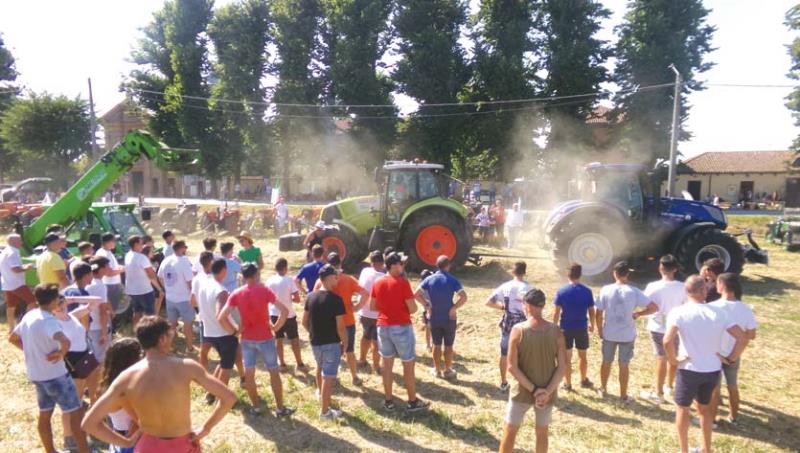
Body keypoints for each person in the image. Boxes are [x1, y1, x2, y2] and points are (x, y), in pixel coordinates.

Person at [82, 316, 236, 453]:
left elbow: (89, 423)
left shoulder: (126, 377)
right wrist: (205, 428)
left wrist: (126, 442)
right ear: (162, 339)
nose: (173, 336)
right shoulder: (187, 367)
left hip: (147, 446)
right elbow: (228, 398)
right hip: (183, 445)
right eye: (171, 334)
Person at [664, 276, 747, 453]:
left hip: (689, 369)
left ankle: (684, 450)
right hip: (712, 370)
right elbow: (742, 337)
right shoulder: (719, 313)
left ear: (686, 291)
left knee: (682, 410)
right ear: (704, 291)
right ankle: (706, 448)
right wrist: (731, 358)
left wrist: (673, 360)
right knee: (705, 410)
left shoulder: (678, 312)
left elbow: (667, 341)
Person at [9, 284, 90, 453]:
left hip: (37, 375)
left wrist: (32, 352)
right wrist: (61, 353)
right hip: (57, 376)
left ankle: (50, 450)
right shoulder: (49, 321)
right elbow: (65, 341)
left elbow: (13, 338)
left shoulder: (29, 316)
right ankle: (84, 450)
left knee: (45, 414)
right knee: (75, 413)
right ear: (53, 300)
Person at [220, 263, 294, 417]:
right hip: (265, 337)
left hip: (247, 338)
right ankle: (280, 408)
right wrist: (275, 327)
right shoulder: (264, 290)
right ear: (256, 275)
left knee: (249, 374)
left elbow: (221, 317)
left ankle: (255, 407)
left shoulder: (236, 293)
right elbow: (285, 311)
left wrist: (234, 331)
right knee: (273, 371)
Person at [499, 289, 567, 453]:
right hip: (547, 393)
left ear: (527, 306)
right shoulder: (556, 331)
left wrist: (534, 390)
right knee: (542, 433)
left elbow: (511, 367)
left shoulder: (518, 330)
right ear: (542, 306)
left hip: (521, 392)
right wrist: (546, 392)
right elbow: (562, 367)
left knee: (510, 431)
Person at [370, 253, 429, 412]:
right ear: (394, 265)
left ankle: (388, 401)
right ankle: (412, 401)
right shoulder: (402, 283)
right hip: (401, 326)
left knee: (387, 365)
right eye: (401, 264)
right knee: (408, 364)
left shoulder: (378, 282)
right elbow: (413, 308)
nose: (403, 266)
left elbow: (373, 306)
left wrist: (388, 308)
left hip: (382, 326)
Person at [594, 261, 658, 401]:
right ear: (627, 274)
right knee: (624, 364)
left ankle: (603, 388)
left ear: (614, 273)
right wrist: (639, 314)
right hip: (627, 335)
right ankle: (623, 395)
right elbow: (654, 307)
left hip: (609, 333)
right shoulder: (634, 291)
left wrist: (600, 330)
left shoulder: (605, 289)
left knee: (606, 361)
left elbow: (598, 313)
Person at [312, 252, 369, 385]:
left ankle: (331, 377)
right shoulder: (348, 279)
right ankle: (354, 377)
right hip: (347, 320)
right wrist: (356, 307)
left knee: (329, 351)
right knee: (349, 351)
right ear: (340, 263)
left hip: (328, 322)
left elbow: (315, 297)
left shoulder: (321, 280)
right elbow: (365, 293)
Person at [709, 273, 757, 425]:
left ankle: (713, 419)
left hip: (715, 354)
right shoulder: (746, 309)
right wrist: (734, 354)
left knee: (714, 389)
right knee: (732, 386)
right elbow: (752, 335)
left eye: (717, 283)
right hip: (734, 355)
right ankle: (734, 417)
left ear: (722, 285)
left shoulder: (712, 307)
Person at [54, 292, 100, 451]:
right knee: (72, 403)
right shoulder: (53, 323)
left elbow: (97, 301)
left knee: (81, 400)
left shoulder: (72, 315)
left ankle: (82, 430)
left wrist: (72, 299)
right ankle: (69, 438)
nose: (60, 307)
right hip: (71, 362)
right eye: (57, 305)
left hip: (85, 357)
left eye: (62, 303)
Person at [303, 264, 348, 419]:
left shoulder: (310, 296)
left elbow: (304, 321)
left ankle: (321, 395)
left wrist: (313, 333)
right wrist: (345, 343)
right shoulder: (336, 300)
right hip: (331, 343)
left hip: (315, 342)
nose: (337, 279)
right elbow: (341, 327)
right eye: (335, 276)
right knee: (329, 376)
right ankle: (325, 411)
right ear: (328, 278)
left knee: (320, 368)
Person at [640, 255, 686, 404]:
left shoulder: (653, 286)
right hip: (676, 327)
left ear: (660, 268)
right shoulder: (682, 287)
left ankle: (658, 392)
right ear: (675, 269)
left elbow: (646, 305)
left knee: (661, 358)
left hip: (658, 326)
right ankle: (669, 386)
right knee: (673, 356)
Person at [415, 256, 467, 380]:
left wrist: (427, 306)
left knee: (436, 344)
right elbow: (464, 297)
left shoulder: (429, 279)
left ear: (437, 265)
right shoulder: (452, 280)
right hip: (449, 318)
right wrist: (454, 308)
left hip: (434, 316)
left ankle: (437, 370)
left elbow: (416, 294)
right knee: (449, 345)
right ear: (448, 265)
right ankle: (448, 370)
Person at [485, 261, 532, 391]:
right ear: (524, 272)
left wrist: (502, 307)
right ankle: (524, 383)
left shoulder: (505, 286)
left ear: (513, 271)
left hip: (508, 322)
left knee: (504, 353)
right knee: (524, 354)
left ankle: (503, 382)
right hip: (523, 324)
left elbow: (488, 302)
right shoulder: (529, 288)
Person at [197, 258, 239, 400]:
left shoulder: (204, 285)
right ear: (224, 271)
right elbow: (220, 315)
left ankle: (210, 393)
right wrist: (233, 331)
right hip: (223, 334)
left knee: (223, 362)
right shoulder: (221, 291)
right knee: (227, 367)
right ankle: (223, 397)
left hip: (209, 331)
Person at [552, 264, 595, 391]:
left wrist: (554, 327)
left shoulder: (561, 291)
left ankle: (568, 383)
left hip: (566, 328)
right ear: (580, 275)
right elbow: (591, 311)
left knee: (566, 358)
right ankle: (583, 379)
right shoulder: (587, 291)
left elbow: (556, 312)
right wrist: (592, 324)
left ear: (567, 274)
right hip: (581, 327)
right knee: (583, 356)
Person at [98, 338, 143, 453]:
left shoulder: (110, 383)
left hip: (122, 438)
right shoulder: (120, 391)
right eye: (140, 355)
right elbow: (141, 420)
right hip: (130, 441)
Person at [265, 257, 307, 371]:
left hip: (274, 313)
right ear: (285, 268)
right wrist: (290, 299)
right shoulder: (289, 281)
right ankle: (300, 364)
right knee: (294, 339)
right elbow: (297, 299)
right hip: (288, 314)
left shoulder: (269, 281)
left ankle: (282, 364)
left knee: (278, 339)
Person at [158, 241, 196, 353]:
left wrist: (167, 288)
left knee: (172, 325)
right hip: (184, 298)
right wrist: (193, 295)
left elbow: (160, 276)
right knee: (188, 324)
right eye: (185, 247)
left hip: (170, 298)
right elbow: (189, 281)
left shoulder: (166, 260)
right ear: (181, 248)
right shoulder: (184, 261)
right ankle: (189, 348)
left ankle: (168, 347)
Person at [357, 250, 385, 373]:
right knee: (377, 341)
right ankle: (376, 366)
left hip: (364, 311)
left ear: (371, 262)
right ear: (382, 263)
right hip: (377, 313)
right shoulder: (383, 278)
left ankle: (362, 359)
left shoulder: (364, 271)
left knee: (365, 336)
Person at [125, 235, 163, 326]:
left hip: (131, 290)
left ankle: (136, 331)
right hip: (144, 290)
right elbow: (151, 274)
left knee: (137, 311)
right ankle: (150, 333)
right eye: (141, 243)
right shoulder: (142, 258)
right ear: (136, 244)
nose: (143, 245)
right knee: (150, 314)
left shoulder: (128, 255)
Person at [0, 234, 34, 330]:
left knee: (11, 307)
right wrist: (27, 268)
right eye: (20, 240)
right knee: (32, 301)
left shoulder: (5, 251)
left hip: (7, 284)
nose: (22, 242)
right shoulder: (13, 252)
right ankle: (24, 325)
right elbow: (15, 269)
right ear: (13, 242)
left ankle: (11, 328)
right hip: (17, 284)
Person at [86, 256, 112, 365]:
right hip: (98, 327)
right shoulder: (99, 286)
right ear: (101, 269)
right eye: (107, 266)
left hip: (88, 326)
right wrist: (104, 333)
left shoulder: (88, 283)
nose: (109, 269)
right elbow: (102, 310)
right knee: (102, 358)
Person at [95, 233, 125, 321]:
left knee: (113, 308)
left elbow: (112, 267)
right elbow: (108, 273)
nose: (116, 243)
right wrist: (123, 270)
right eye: (114, 241)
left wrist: (119, 268)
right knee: (110, 309)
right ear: (108, 242)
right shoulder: (103, 254)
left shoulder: (108, 252)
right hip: (109, 285)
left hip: (113, 284)